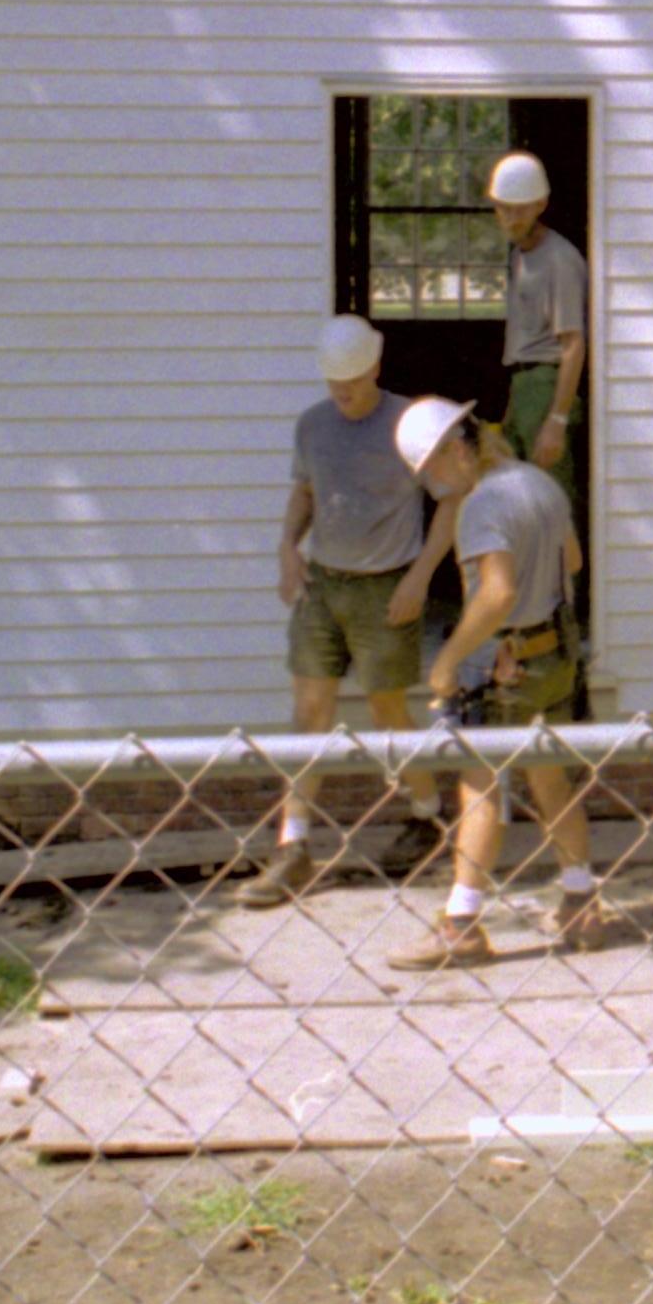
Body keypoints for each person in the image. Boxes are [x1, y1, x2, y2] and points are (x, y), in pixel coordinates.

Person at [233, 316, 456, 908]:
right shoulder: (313, 426)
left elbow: (452, 498)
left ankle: (426, 816)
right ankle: (293, 846)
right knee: (309, 710)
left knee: (388, 708)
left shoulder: (406, 424)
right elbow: (304, 491)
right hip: (323, 585)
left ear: (374, 369)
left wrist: (421, 575)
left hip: (386, 588)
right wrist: (286, 548)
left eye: (352, 384)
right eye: (334, 385)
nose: (343, 395)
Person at [384, 394, 610, 968]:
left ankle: (461, 924)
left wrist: (448, 659)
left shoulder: (482, 506)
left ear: (452, 451)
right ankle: (582, 902)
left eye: (429, 470)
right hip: (557, 655)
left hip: (507, 664)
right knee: (550, 777)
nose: (431, 483)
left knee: (480, 784)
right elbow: (575, 561)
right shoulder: (538, 483)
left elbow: (498, 593)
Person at [487, 151, 587, 496]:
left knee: (551, 499)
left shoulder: (559, 259)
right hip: (522, 385)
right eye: (504, 208)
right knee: (521, 498)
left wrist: (556, 421)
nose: (511, 218)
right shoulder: (518, 255)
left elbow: (573, 344)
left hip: (546, 385)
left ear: (541, 204)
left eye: (521, 208)